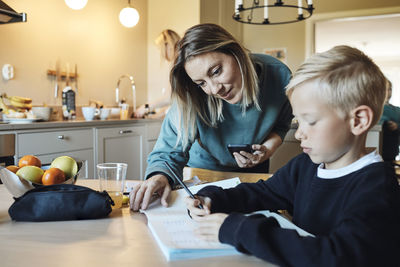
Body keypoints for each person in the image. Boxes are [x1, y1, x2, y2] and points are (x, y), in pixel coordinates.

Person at [186, 46, 400, 266]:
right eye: (298, 121)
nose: (298, 134)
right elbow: (261, 192)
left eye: (311, 121)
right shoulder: (305, 166)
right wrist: (212, 197)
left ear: (358, 121)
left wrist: (239, 229)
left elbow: (336, 256)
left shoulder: (378, 189)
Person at [130, 23, 293, 211]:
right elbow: (167, 151)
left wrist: (267, 149)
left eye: (216, 71)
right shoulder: (191, 95)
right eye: (201, 83)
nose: (215, 90)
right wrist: (159, 176)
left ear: (236, 52)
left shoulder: (279, 75)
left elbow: (281, 125)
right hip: (204, 174)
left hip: (254, 177)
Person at [134, 29, 180, 118]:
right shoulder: (179, 63)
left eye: (161, 49)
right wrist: (157, 115)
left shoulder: (178, 65)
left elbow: (169, 97)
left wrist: (145, 107)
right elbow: (175, 100)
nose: (161, 54)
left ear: (169, 45)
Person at [379, 79, 400, 162]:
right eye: (384, 89)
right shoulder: (373, 109)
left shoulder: (397, 110)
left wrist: (397, 126)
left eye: (390, 89)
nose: (387, 92)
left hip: (391, 152)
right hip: (376, 149)